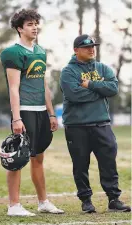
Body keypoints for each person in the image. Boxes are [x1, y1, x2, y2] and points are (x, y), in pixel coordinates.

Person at [0, 9, 64, 216]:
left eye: (36, 23)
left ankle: (43, 201)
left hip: (40, 111)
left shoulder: (40, 51)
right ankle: (14, 205)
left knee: (38, 158)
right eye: (29, 24)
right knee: (17, 157)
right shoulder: (13, 53)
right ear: (19, 28)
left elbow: (43, 84)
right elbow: (13, 88)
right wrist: (17, 117)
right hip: (24, 111)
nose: (34, 27)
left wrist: (51, 113)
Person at [60, 34, 131, 213]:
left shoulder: (102, 68)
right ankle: (86, 201)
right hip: (77, 126)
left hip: (101, 124)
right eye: (86, 47)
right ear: (76, 50)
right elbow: (73, 95)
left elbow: (113, 89)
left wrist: (90, 84)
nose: (92, 49)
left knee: (108, 163)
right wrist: (100, 90)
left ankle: (114, 199)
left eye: (93, 46)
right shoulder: (68, 71)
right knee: (81, 164)